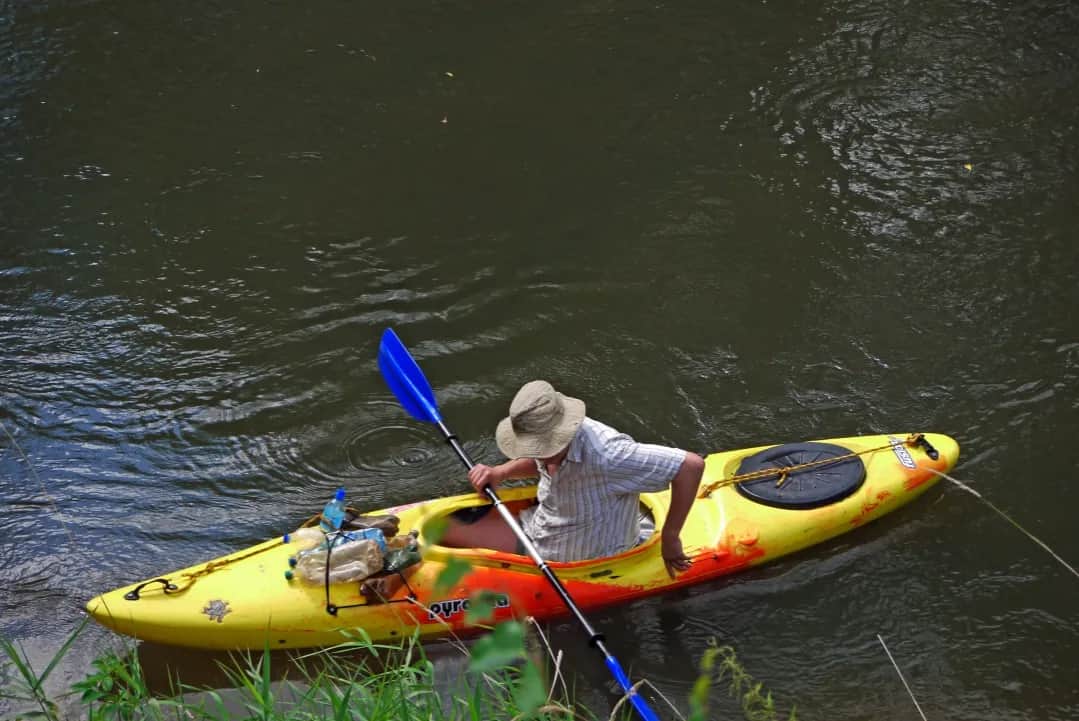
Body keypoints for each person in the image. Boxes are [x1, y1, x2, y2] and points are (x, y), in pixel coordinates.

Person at [438, 380, 705, 578]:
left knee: (450, 547)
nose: (538, 456)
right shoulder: (546, 436)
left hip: (579, 558)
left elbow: (690, 466)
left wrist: (671, 537)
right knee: (442, 529)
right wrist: (501, 472)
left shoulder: (609, 454)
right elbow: (541, 457)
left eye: (543, 448)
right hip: (542, 525)